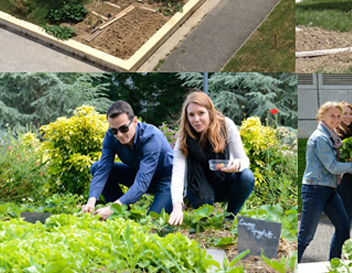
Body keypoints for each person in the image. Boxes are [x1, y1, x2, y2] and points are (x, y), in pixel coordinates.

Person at [298, 102, 352, 262]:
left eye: (338, 116)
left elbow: (334, 167)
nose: (336, 119)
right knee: (306, 236)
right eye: (332, 115)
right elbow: (333, 167)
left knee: (343, 227)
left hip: (328, 188)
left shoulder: (330, 135)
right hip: (315, 189)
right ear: (322, 116)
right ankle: (293, 268)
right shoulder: (321, 138)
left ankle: (333, 267)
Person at [167, 92, 254, 227]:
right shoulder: (183, 138)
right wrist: (177, 206)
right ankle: (205, 215)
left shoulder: (226, 126)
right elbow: (177, 174)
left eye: (201, 113)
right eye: (191, 115)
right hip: (198, 186)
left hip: (225, 182)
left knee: (247, 176)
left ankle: (229, 218)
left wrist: (237, 164)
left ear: (210, 112)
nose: (196, 119)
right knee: (204, 224)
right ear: (187, 117)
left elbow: (243, 159)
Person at [83, 101, 174, 219]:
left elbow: (142, 182)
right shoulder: (111, 137)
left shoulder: (151, 137)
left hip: (166, 181)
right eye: (114, 130)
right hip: (138, 174)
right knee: (96, 167)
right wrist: (91, 201)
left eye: (124, 128)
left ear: (135, 122)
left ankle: (114, 210)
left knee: (152, 226)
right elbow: (102, 170)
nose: (119, 135)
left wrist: (113, 207)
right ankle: (122, 216)